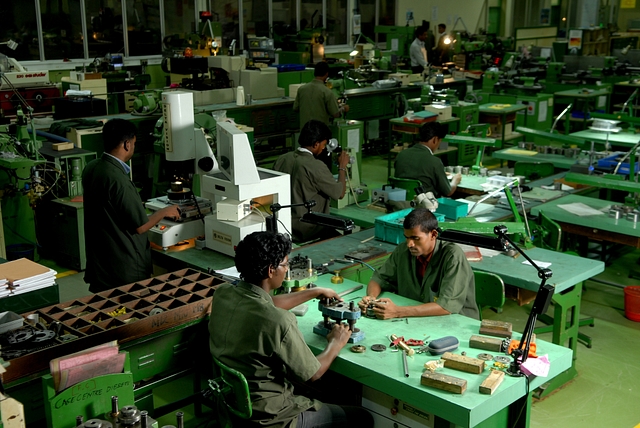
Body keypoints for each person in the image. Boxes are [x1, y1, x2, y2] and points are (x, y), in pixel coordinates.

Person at [208, 231, 374, 428]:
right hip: (273, 419)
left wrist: (313, 292)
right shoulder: (280, 321)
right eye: (285, 265)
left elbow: (266, 304)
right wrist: (335, 344)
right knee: (363, 418)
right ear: (271, 270)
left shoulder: (223, 294)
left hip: (233, 406)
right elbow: (313, 373)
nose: (287, 270)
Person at [82, 118, 180, 293]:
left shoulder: (92, 168)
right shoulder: (118, 180)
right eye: (134, 143)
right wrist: (165, 211)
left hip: (101, 266)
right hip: (124, 271)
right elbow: (141, 227)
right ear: (127, 144)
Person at [358, 208, 478, 320]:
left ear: (433, 235)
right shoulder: (403, 252)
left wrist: (397, 312)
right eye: (407, 237)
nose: (409, 244)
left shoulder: (452, 256)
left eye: (415, 238)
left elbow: (446, 307)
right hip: (419, 319)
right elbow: (379, 278)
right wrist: (371, 298)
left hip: (457, 323)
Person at [273, 120, 349, 242]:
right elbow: (340, 193)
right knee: (346, 241)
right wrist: (342, 167)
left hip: (285, 226)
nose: (324, 148)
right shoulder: (315, 166)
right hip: (309, 228)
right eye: (323, 145)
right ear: (316, 144)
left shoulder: (282, 159)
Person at [394, 121, 461, 197]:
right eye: (440, 141)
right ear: (435, 140)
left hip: (401, 202)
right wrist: (455, 180)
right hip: (425, 205)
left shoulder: (401, 155)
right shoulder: (435, 162)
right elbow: (448, 192)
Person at [293, 61, 349, 128]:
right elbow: (335, 114)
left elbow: (295, 108)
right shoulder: (327, 92)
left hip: (304, 132)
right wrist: (343, 109)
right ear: (326, 74)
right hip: (320, 133)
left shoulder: (302, 89)